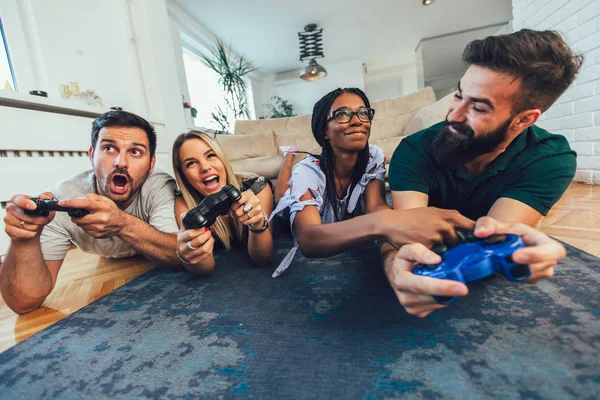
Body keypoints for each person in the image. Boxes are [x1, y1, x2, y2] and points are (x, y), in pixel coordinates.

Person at [384, 29, 581, 316]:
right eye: (458, 95)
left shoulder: (551, 159)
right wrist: (394, 263)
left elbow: (493, 242)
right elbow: (404, 237)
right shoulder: (414, 150)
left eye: (477, 107)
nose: (453, 115)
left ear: (524, 120)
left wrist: (516, 257)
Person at [270, 87, 476, 277]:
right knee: (282, 197)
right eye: (342, 114)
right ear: (324, 131)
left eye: (363, 112)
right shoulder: (308, 172)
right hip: (295, 216)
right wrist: (385, 224)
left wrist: (411, 222)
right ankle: (289, 157)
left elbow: (375, 206)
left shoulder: (373, 156)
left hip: (338, 218)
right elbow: (309, 239)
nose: (357, 120)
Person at [1, 111, 181, 314]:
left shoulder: (159, 186)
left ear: (151, 164)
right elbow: (23, 303)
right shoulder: (63, 196)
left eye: (135, 152)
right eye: (109, 148)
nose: (121, 162)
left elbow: (180, 255)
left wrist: (122, 223)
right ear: (91, 154)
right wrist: (24, 241)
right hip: (107, 259)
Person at [172, 131, 274, 275]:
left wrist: (257, 223)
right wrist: (189, 255)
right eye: (191, 163)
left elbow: (262, 258)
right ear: (183, 175)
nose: (205, 167)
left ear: (222, 159)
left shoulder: (257, 188)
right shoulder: (185, 204)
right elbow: (206, 269)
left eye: (210, 155)